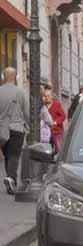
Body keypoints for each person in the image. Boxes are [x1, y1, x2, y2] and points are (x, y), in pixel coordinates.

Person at [0, 67, 30, 195]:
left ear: (3, 77)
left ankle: (10, 180)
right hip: (17, 128)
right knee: (14, 155)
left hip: (2, 129)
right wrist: (29, 126)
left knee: (7, 154)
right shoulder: (21, 92)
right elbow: (26, 111)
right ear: (16, 77)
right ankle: (11, 178)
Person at [43, 87, 66, 153]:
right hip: (46, 133)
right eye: (45, 96)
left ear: (52, 96)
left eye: (48, 96)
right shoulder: (43, 106)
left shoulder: (56, 105)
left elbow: (63, 116)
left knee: (59, 149)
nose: (47, 97)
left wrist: (56, 122)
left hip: (57, 131)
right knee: (47, 151)